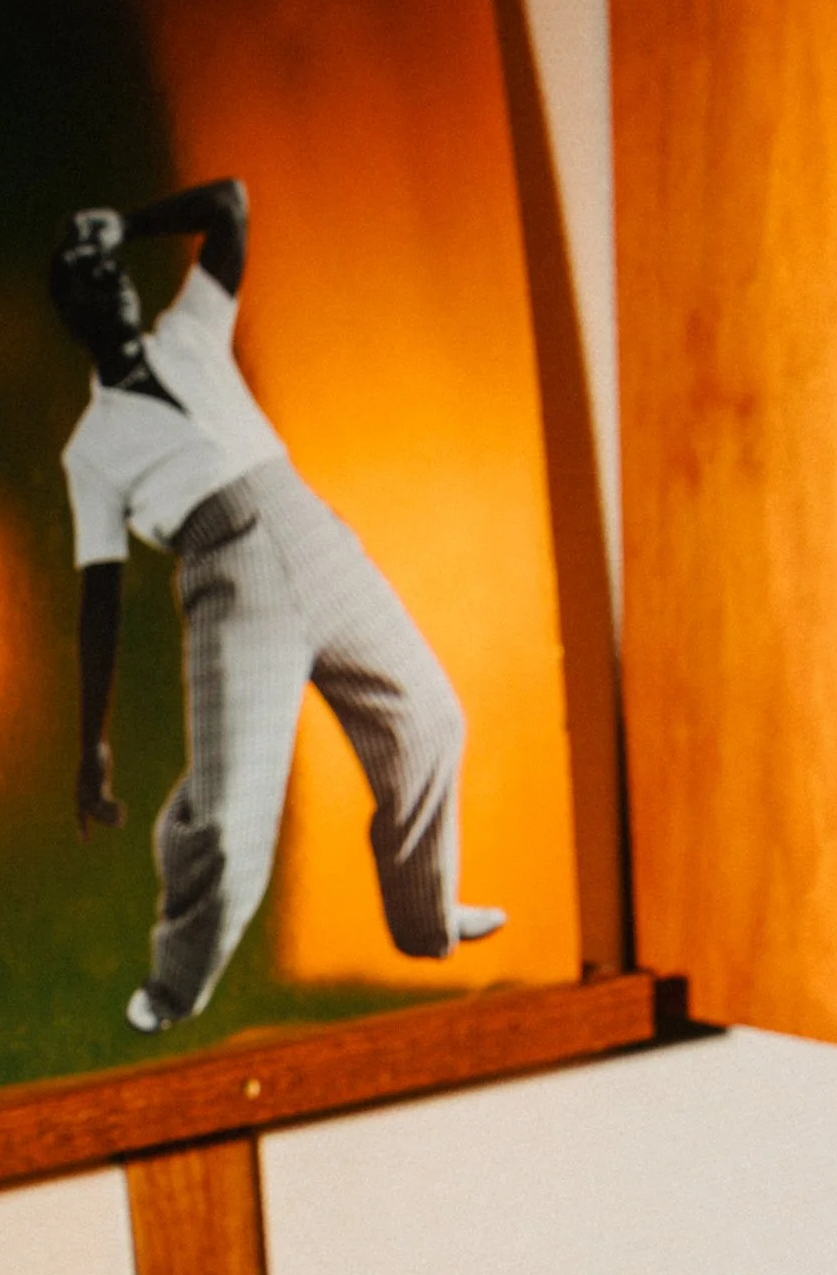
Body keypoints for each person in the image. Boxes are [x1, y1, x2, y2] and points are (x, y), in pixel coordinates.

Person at [54, 178, 504, 1034]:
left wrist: (130, 221)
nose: (110, 280)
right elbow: (100, 599)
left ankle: (426, 922)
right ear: (70, 311)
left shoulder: (189, 334)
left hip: (310, 530)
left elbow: (228, 204)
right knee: (226, 821)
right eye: (86, 275)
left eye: (113, 267)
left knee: (429, 720)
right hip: (228, 578)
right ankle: (173, 988)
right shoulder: (92, 449)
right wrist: (91, 742)